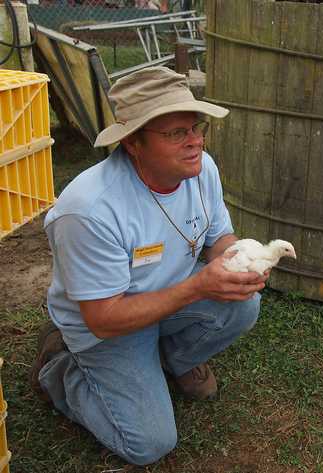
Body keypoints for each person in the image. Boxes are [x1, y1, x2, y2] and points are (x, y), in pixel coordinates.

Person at [30, 66, 269, 465]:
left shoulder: (200, 169)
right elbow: (104, 319)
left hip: (164, 304)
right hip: (104, 329)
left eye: (196, 127)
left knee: (243, 304)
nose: (195, 142)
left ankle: (168, 362)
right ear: (133, 144)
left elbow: (218, 239)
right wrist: (199, 287)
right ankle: (60, 370)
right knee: (149, 444)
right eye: (177, 133)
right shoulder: (89, 210)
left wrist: (240, 258)